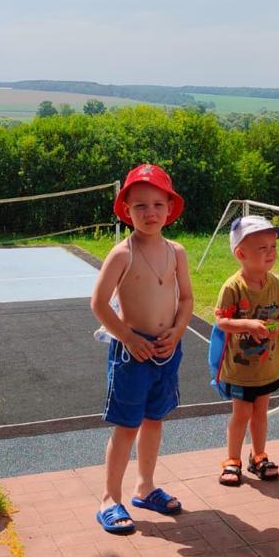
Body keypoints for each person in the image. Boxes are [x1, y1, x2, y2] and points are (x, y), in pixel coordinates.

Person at [89, 163, 194, 534]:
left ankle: (145, 487)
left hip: (166, 351)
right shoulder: (123, 253)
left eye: (157, 205)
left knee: (154, 419)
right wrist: (127, 337)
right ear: (126, 210)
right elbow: (98, 303)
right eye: (140, 206)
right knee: (126, 425)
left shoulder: (177, 252)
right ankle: (109, 498)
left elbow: (186, 299)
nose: (150, 213)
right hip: (131, 354)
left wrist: (178, 330)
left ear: (170, 207)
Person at [213, 214, 279, 486]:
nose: (271, 253)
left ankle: (258, 455)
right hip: (240, 368)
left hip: (267, 366)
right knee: (241, 413)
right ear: (241, 254)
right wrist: (247, 324)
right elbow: (221, 321)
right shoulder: (233, 287)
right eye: (262, 248)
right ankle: (232, 459)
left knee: (260, 412)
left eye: (273, 247)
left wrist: (278, 326)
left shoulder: (277, 284)